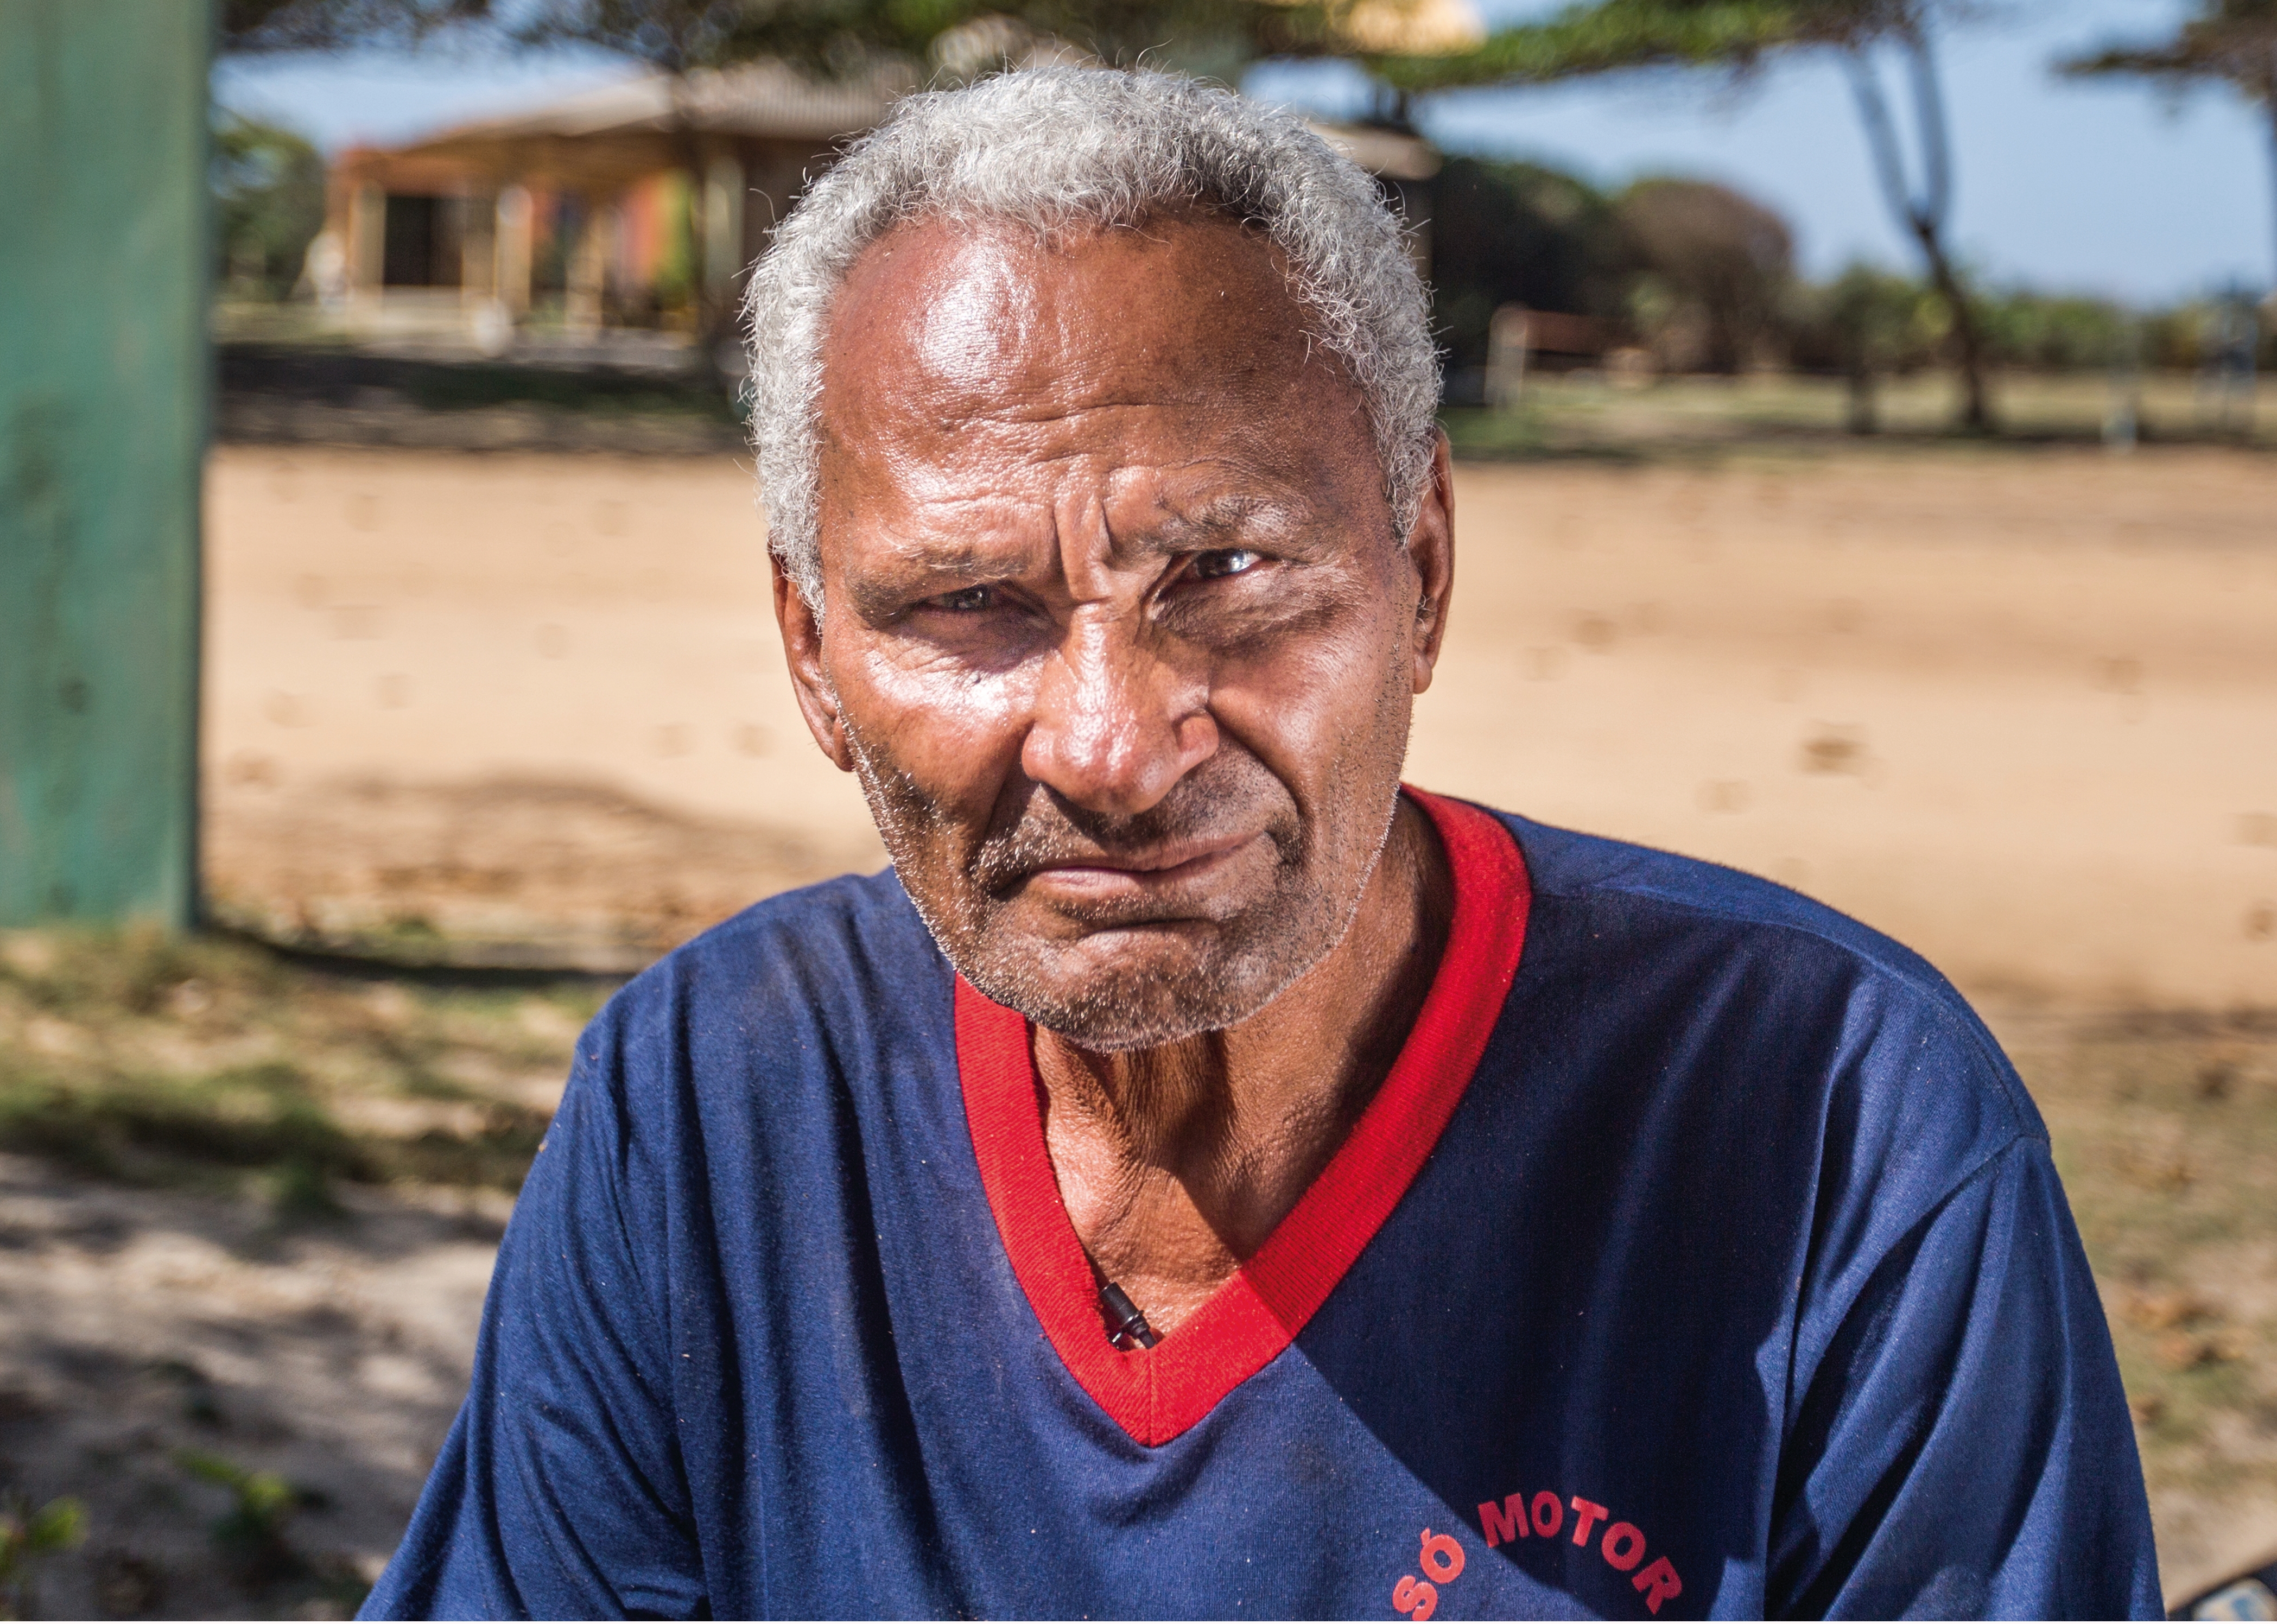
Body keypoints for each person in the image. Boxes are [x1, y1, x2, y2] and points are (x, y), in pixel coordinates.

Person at [361, 68, 2158, 1620]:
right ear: (812, 657)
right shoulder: (712, 1098)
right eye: (970, 604)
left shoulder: (1832, 1113)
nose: (1112, 747)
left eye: (1224, 575)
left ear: (1421, 573)